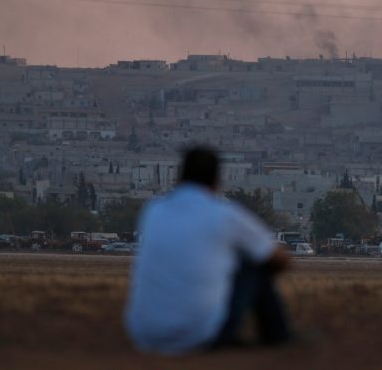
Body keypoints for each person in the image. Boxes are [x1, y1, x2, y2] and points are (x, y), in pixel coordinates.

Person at [125, 146, 292, 355]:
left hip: (145, 335)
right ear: (216, 180)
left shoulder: (153, 211)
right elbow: (280, 260)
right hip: (200, 335)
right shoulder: (224, 214)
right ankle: (279, 338)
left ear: (179, 177)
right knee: (251, 264)